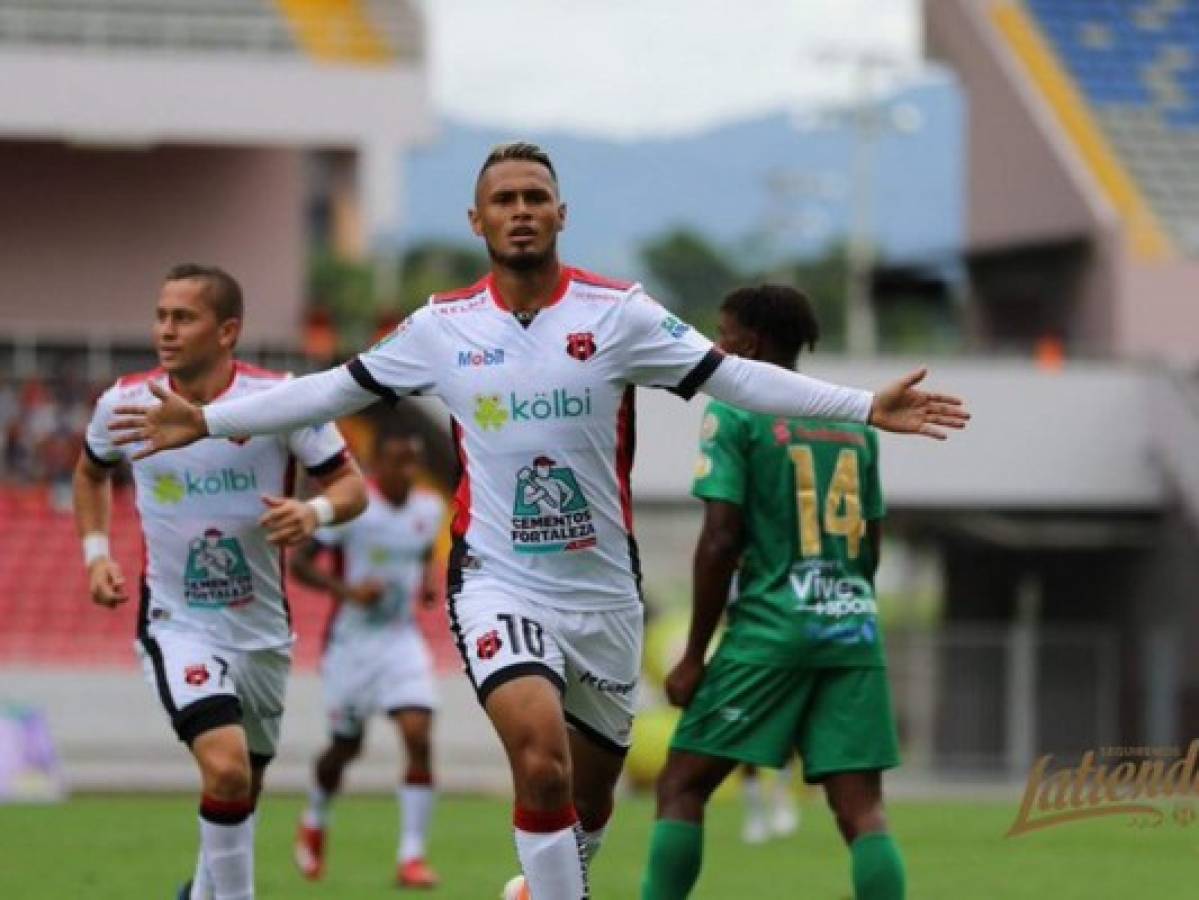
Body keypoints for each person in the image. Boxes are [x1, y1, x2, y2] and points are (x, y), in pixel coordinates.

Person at [106, 144, 967, 900]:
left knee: (586, 805)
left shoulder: (618, 314)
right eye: (504, 200)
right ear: (475, 218)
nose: (520, 211)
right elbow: (333, 387)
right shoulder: (441, 328)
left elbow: (733, 378)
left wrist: (861, 405)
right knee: (541, 761)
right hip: (495, 581)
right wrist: (211, 420)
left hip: (602, 598)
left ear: (561, 213)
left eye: (534, 197)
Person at [74, 264, 367, 900]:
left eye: (183, 317)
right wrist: (96, 552)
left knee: (240, 791)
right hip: (178, 625)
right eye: (161, 316)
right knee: (228, 770)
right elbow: (91, 470)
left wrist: (311, 512)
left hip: (262, 635)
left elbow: (351, 488)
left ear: (228, 330)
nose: (166, 330)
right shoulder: (125, 402)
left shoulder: (280, 401)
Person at [642, 284, 905, 899]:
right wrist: (842, 604)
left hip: (771, 629)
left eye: (723, 332)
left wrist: (693, 656)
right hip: (852, 627)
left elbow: (720, 540)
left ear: (751, 344)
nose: (715, 344)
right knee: (861, 809)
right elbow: (871, 541)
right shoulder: (853, 420)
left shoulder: (735, 410)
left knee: (682, 783)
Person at [291, 433, 446, 888]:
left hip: (401, 640)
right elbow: (300, 564)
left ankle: (412, 856)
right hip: (352, 646)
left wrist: (428, 584)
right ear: (377, 464)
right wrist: (348, 593)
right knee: (345, 748)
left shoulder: (428, 509)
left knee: (418, 733)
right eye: (398, 461)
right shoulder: (354, 510)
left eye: (413, 461)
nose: (407, 470)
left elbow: (422, 558)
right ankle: (315, 817)